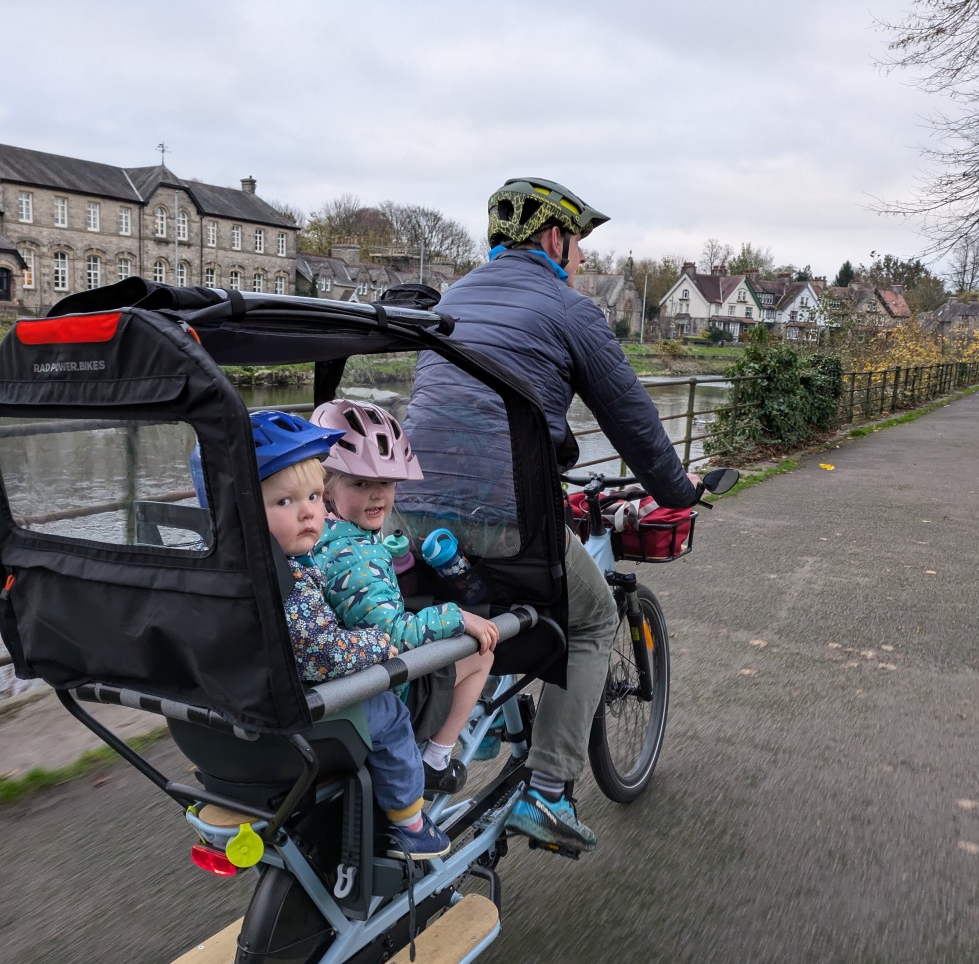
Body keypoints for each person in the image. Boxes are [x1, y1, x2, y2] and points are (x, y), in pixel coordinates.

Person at [402, 178, 706, 856]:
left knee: (466, 600)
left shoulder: (450, 299)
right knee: (593, 616)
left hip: (408, 508)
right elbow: (632, 419)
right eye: (579, 247)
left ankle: (468, 728)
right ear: (552, 238)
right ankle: (548, 791)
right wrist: (678, 490)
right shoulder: (570, 309)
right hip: (503, 515)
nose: (582, 262)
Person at [246, 409, 451, 861]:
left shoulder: (235, 568)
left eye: (315, 497)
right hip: (308, 707)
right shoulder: (292, 581)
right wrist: (380, 644)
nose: (308, 513)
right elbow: (323, 656)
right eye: (285, 503)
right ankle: (411, 824)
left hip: (249, 701)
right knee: (391, 716)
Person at [306, 398, 498, 795]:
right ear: (327, 487)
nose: (378, 496)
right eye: (361, 483)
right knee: (482, 654)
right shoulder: (356, 557)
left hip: (340, 682)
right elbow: (392, 635)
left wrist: (385, 550)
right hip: (384, 693)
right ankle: (435, 759)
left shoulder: (314, 536)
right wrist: (458, 617)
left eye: (387, 483)